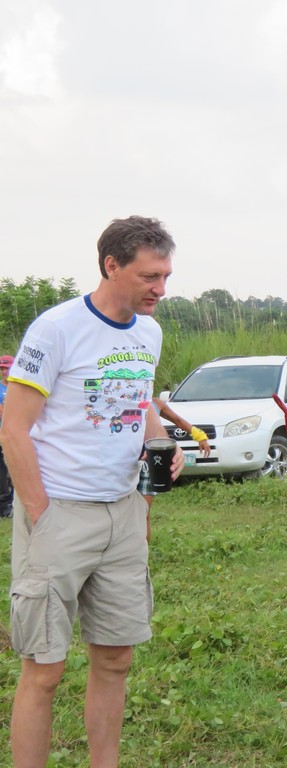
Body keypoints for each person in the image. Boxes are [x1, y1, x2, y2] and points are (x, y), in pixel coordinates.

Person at [0, 216, 183, 768]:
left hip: (122, 514)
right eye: (149, 276)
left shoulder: (148, 333)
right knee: (44, 669)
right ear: (111, 265)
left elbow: (138, 403)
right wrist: (41, 514)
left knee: (116, 659)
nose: (161, 289)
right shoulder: (56, 329)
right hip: (59, 512)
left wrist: (162, 442)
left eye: (166, 276)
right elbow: (13, 428)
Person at [0, 354, 13, 517]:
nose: (4, 371)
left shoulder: (20, 387)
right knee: (3, 471)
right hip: (3, 434)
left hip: (21, 434)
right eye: (2, 369)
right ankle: (5, 505)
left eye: (7, 368)